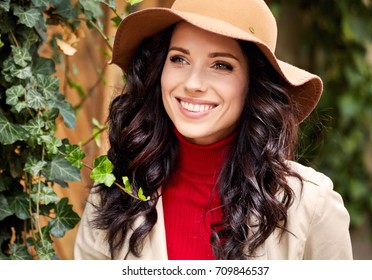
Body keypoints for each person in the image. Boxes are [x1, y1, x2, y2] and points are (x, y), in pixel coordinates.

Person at [74, 0, 353, 260]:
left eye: (221, 65)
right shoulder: (115, 191)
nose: (193, 83)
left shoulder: (312, 206)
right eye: (179, 59)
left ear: (254, 84)